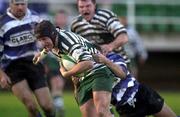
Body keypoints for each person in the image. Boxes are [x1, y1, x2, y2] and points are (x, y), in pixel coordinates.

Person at [34, 20, 115, 117]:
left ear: (52, 34)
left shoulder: (69, 43)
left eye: (44, 39)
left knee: (102, 112)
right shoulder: (53, 39)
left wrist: (66, 74)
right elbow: (48, 47)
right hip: (82, 78)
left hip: (98, 71)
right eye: (40, 40)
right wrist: (41, 54)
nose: (43, 43)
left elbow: (88, 63)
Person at [0, 0, 55, 117]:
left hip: (33, 62)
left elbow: (46, 40)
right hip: (12, 67)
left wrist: (43, 57)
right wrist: (1, 74)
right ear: (10, 4)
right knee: (31, 107)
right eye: (17, 4)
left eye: (23, 4)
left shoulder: (36, 18)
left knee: (48, 107)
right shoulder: (2, 23)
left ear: (27, 4)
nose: (20, 7)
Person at [93, 52, 177, 117]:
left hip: (141, 94)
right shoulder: (91, 72)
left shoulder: (113, 57)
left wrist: (106, 61)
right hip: (125, 107)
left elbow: (122, 74)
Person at [71, 0, 130, 64]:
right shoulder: (76, 24)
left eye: (88, 6)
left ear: (94, 5)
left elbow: (124, 37)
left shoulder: (106, 16)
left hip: (118, 61)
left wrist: (109, 46)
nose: (85, 9)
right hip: (95, 65)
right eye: (81, 7)